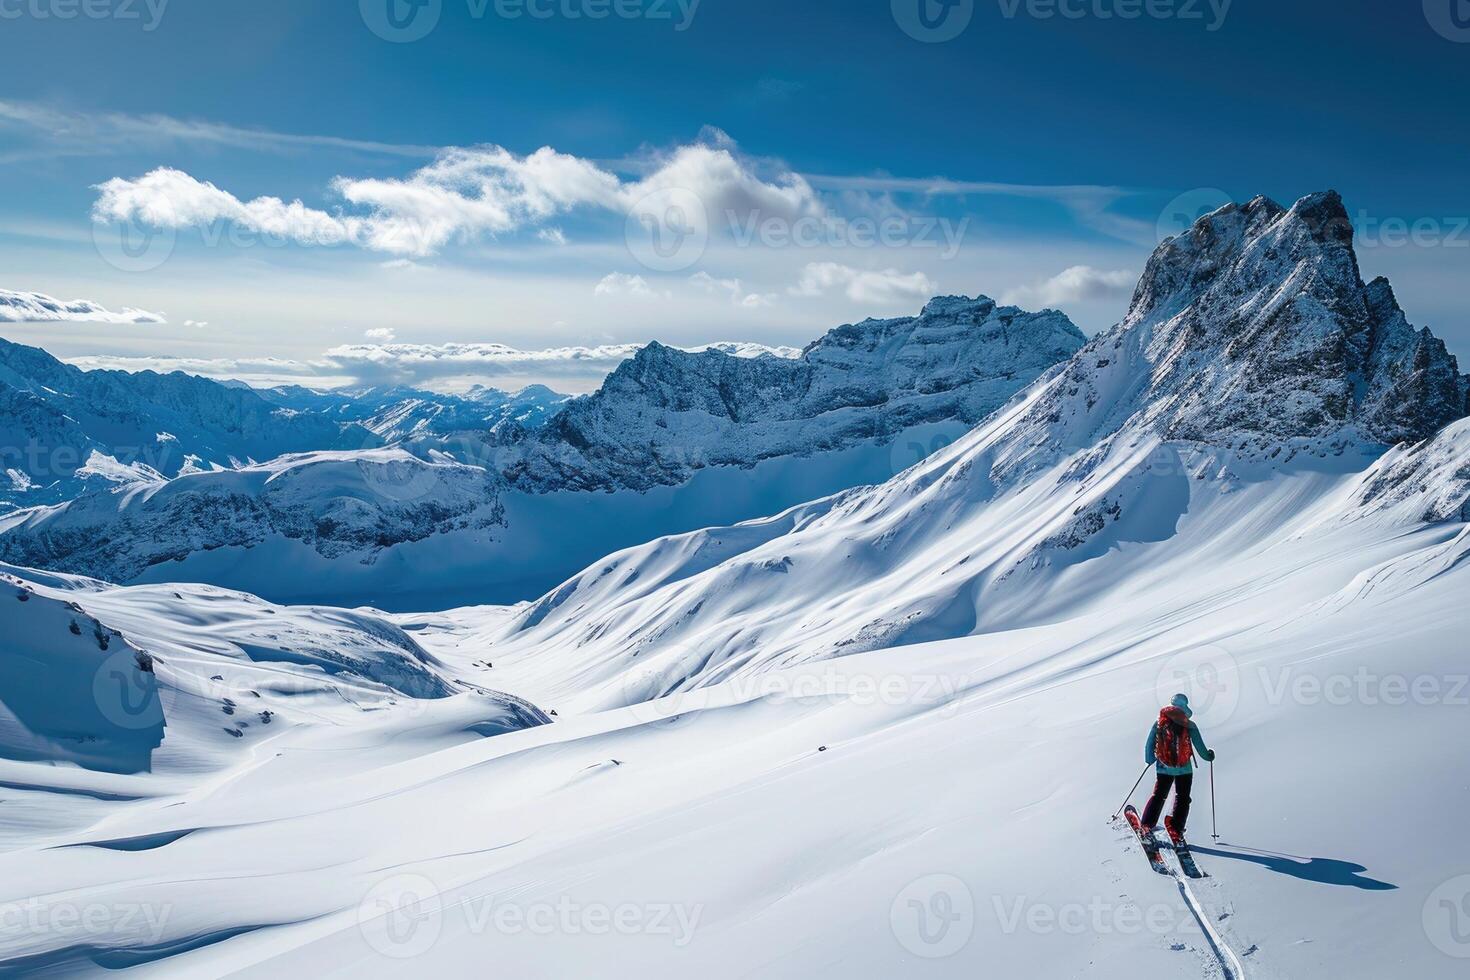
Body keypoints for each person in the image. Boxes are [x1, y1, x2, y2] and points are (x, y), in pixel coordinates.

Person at [1141, 693, 1215, 838]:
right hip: (1184, 769)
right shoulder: (1190, 725)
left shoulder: (1159, 723)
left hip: (1163, 767)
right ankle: (1176, 829)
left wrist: (1149, 759)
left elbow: (1149, 743)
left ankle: (1147, 825)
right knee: (1183, 797)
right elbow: (1200, 748)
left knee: (1159, 795)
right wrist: (1209, 756)